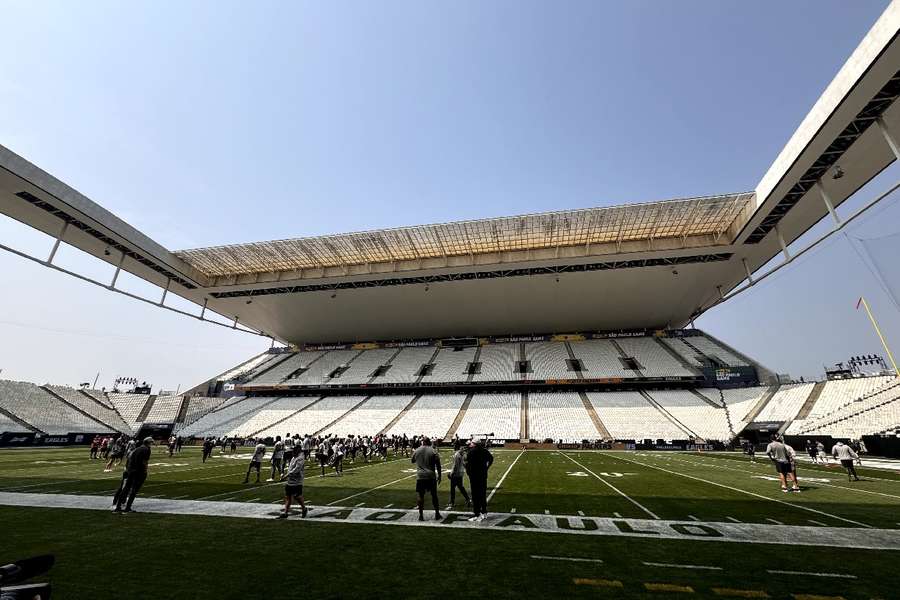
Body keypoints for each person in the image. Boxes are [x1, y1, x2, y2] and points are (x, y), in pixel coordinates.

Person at [113, 437, 152, 513]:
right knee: (134, 490)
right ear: (149, 443)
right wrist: (145, 471)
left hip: (130, 470)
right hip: (138, 471)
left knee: (125, 488)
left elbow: (129, 459)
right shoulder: (147, 449)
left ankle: (118, 506)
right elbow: (144, 462)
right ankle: (128, 507)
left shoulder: (136, 449)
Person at [411, 436, 442, 522]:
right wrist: (439, 475)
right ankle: (437, 514)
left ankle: (421, 516)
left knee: (420, 496)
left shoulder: (417, 450)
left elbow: (412, 460)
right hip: (431, 476)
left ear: (422, 442)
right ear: (429, 442)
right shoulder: (433, 450)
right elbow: (438, 465)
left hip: (420, 476)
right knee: (434, 495)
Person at [465, 438, 494, 520]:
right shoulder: (484, 451)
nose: (470, 444)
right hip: (483, 475)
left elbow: (468, 465)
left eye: (472, 443)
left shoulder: (471, 452)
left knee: (475, 495)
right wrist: (487, 467)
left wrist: (468, 472)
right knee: (482, 494)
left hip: (474, 476)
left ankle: (477, 512)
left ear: (474, 444)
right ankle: (484, 511)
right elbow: (491, 459)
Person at [277, 447, 308, 519]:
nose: (291, 453)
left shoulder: (300, 458)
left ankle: (304, 508)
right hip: (290, 480)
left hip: (297, 480)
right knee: (288, 497)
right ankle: (285, 513)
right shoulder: (294, 457)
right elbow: (290, 467)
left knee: (297, 496)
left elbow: (296, 469)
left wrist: (286, 476)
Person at [447, 443, 471, 510]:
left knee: (452, 488)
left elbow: (455, 465)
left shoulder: (457, 455)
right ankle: (467, 499)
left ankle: (452, 502)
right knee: (461, 487)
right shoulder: (463, 454)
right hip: (460, 473)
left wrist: (451, 473)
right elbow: (464, 464)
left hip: (456, 474)